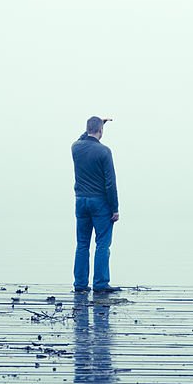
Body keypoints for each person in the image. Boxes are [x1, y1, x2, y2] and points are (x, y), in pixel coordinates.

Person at [71, 116, 120, 293]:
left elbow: (82, 138)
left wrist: (95, 126)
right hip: (99, 202)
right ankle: (100, 284)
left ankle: (80, 285)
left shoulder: (75, 147)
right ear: (101, 131)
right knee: (102, 244)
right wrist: (115, 208)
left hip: (81, 201)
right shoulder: (104, 151)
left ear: (86, 129)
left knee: (82, 244)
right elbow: (110, 183)